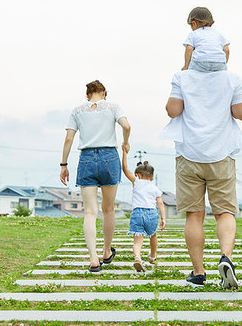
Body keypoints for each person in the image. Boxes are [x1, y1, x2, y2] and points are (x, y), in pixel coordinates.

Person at [165, 67, 242, 288]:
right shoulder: (232, 78)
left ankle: (199, 273)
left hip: (189, 154)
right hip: (221, 154)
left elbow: (172, 111)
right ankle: (226, 258)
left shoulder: (181, 77)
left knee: (194, 216)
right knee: (224, 213)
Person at [60, 79, 131, 272]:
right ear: (104, 93)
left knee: (90, 212)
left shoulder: (77, 111)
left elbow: (69, 138)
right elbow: (126, 126)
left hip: (87, 159)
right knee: (108, 209)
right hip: (109, 157)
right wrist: (125, 142)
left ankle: (93, 258)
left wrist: (64, 164)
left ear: (87, 94)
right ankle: (106, 251)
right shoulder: (113, 107)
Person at [122, 148, 166, 271]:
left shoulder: (136, 182)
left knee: (137, 239)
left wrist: (124, 153)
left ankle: (137, 257)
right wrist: (163, 218)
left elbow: (125, 169)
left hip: (137, 213)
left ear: (137, 175)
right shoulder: (155, 187)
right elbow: (160, 202)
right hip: (151, 213)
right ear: (152, 176)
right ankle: (152, 256)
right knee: (153, 235)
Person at [182, 6, 230, 72]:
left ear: (194, 23)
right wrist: (223, 62)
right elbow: (226, 49)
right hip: (219, 63)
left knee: (192, 69)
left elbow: (189, 48)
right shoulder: (218, 34)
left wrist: (186, 66)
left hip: (201, 62)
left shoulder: (194, 33)